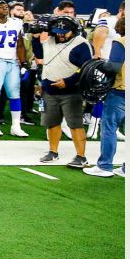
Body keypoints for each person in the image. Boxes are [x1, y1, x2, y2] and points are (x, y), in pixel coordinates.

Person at [33, 15, 92, 168]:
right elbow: (39, 55)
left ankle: (81, 156)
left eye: (63, 32)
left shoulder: (82, 44)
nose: (60, 34)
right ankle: (53, 151)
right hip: (49, 89)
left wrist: (68, 81)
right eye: (57, 31)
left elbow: (86, 69)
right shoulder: (50, 40)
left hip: (71, 91)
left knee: (75, 124)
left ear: (73, 31)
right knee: (52, 122)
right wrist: (35, 37)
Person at [84, 10, 125, 178]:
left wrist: (99, 65)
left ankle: (105, 166)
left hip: (120, 91)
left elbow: (113, 67)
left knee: (109, 128)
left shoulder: (121, 41)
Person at [0, 0, 29, 137]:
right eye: (1, 7)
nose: (5, 9)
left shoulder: (16, 23)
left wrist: (23, 64)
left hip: (12, 61)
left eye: (6, 7)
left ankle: (16, 126)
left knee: (15, 94)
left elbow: (20, 45)